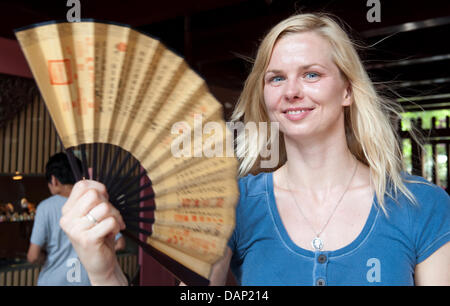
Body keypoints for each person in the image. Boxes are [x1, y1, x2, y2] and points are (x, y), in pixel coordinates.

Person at [59, 13, 449, 286]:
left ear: (347, 90)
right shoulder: (232, 205)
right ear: (264, 95)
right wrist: (103, 272)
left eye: (312, 74)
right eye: (276, 78)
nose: (292, 90)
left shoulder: (422, 205)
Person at [27, 152, 125, 286]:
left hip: (52, 281)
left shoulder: (45, 208)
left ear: (54, 180)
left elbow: (33, 256)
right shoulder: (96, 204)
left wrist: (46, 257)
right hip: (88, 281)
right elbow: (120, 243)